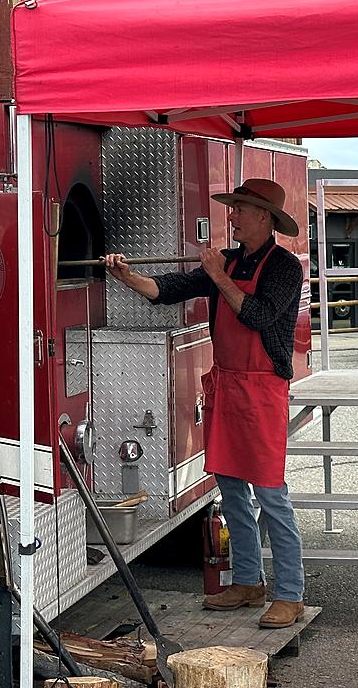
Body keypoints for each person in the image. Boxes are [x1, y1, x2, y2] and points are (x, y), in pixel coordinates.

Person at [104, 177, 306, 629]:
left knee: (271, 494)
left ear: (264, 218)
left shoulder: (284, 268)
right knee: (231, 490)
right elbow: (168, 289)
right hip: (228, 387)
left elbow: (257, 315)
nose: (230, 215)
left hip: (263, 390)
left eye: (239, 209)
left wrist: (218, 275)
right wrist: (127, 276)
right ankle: (249, 582)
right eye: (232, 207)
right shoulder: (230, 259)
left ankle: (290, 592)